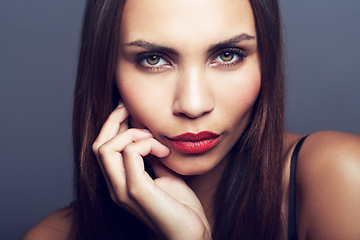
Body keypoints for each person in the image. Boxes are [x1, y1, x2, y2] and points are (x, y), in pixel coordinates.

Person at [23, 0, 360, 239]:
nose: (194, 105)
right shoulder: (52, 235)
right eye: (154, 59)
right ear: (108, 72)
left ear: (265, 60)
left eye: (228, 55)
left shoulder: (342, 177)